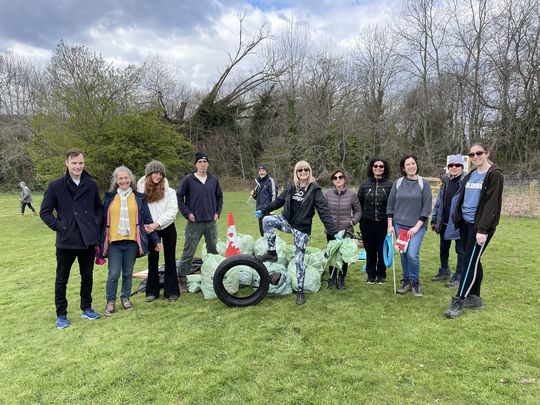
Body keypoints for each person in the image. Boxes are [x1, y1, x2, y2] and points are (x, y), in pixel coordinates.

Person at [255, 160, 340, 305]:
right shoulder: (291, 187)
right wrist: (264, 210)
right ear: (296, 172)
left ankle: (300, 292)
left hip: (302, 228)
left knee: (299, 260)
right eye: (300, 170)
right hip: (286, 221)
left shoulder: (315, 190)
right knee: (266, 220)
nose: (303, 172)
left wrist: (333, 231)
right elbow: (279, 201)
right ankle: (272, 252)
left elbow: (323, 211)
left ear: (309, 171)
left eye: (306, 170)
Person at [40, 149, 103, 329]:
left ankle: (87, 307)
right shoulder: (55, 186)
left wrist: (94, 223)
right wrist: (61, 226)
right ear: (67, 163)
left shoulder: (91, 185)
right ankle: (61, 314)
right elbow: (45, 212)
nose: (78, 167)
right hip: (66, 241)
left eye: (81, 163)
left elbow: (99, 208)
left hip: (87, 240)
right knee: (62, 279)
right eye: (74, 163)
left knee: (87, 276)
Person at [444, 143, 504, 319]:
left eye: (479, 153)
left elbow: (491, 204)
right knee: (474, 259)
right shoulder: (470, 174)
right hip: (466, 224)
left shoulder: (494, 175)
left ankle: (458, 300)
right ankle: (475, 297)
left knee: (469, 261)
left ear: (487, 153)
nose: (475, 156)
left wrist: (483, 229)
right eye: (472, 154)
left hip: (480, 227)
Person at [99, 166, 161, 316]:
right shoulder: (109, 198)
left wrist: (155, 240)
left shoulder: (139, 198)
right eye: (120, 178)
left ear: (131, 179)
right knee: (113, 274)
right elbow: (100, 221)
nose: (124, 180)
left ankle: (125, 298)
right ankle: (110, 301)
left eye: (126, 178)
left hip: (132, 242)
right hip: (114, 242)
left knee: (127, 273)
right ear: (116, 181)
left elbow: (147, 220)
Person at [387, 154, 432, 297]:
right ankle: (406, 281)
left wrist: (416, 227)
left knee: (412, 254)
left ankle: (415, 282)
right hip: (400, 225)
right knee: (403, 254)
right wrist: (390, 225)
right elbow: (390, 205)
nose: (411, 166)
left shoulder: (423, 184)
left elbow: (426, 208)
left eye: (413, 163)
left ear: (417, 165)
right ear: (403, 168)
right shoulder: (398, 183)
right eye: (408, 164)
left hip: (417, 226)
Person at [176, 152, 223, 289]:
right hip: (194, 223)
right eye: (200, 162)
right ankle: (182, 279)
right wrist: (187, 213)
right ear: (196, 164)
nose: (202, 164)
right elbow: (179, 197)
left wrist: (217, 212)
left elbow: (219, 197)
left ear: (208, 164)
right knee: (188, 251)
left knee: (213, 250)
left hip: (210, 222)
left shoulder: (213, 180)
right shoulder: (188, 180)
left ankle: (214, 275)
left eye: (204, 162)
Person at [137, 160, 180, 302]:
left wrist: (157, 223)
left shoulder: (170, 191)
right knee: (152, 260)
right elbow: (140, 210)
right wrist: (148, 226)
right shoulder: (141, 192)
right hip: (150, 230)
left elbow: (173, 211)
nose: (158, 176)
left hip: (167, 227)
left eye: (160, 173)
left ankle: (172, 291)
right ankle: (151, 292)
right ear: (149, 174)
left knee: (170, 259)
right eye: (155, 173)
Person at [431, 154, 466, 288]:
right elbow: (439, 202)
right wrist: (434, 219)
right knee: (443, 247)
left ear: (462, 167)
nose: (454, 167)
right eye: (451, 165)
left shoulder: (465, 182)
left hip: (459, 222)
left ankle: (459, 275)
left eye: (457, 165)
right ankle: (444, 270)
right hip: (444, 221)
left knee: (460, 250)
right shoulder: (445, 182)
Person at [357, 158, 393, 284]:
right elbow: (358, 204)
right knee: (370, 250)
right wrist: (361, 220)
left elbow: (393, 204)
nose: (378, 168)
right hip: (367, 223)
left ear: (384, 168)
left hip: (384, 223)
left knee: (383, 249)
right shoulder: (364, 185)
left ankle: (381, 274)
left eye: (381, 166)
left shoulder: (390, 185)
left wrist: (391, 223)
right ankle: (371, 274)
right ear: (372, 168)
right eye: (376, 166)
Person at [324, 169, 361, 289]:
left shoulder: (352, 195)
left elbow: (358, 211)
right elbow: (323, 211)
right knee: (332, 253)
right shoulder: (327, 194)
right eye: (335, 178)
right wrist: (328, 224)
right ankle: (332, 278)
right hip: (332, 230)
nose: (338, 179)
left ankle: (341, 278)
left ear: (344, 179)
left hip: (346, 230)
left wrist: (352, 221)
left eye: (340, 177)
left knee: (345, 254)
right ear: (332, 180)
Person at [252, 164, 279, 236]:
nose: (261, 172)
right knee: (262, 230)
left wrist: (272, 208)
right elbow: (258, 197)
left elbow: (274, 195)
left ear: (266, 172)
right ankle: (263, 245)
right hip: (259, 211)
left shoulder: (270, 181)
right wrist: (254, 195)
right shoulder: (258, 183)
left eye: (263, 170)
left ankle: (271, 246)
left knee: (269, 231)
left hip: (268, 210)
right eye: (260, 171)